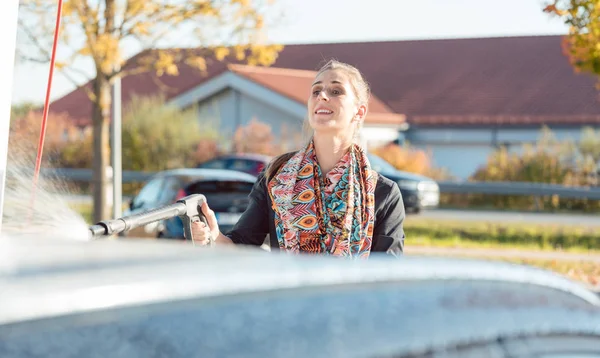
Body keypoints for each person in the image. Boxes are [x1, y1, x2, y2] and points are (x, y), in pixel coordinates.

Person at [190, 59, 405, 257]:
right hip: (287, 298)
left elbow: (387, 278)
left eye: (336, 90)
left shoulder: (383, 194)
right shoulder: (276, 179)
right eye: (316, 90)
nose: (322, 96)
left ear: (359, 112)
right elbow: (241, 246)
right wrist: (213, 236)